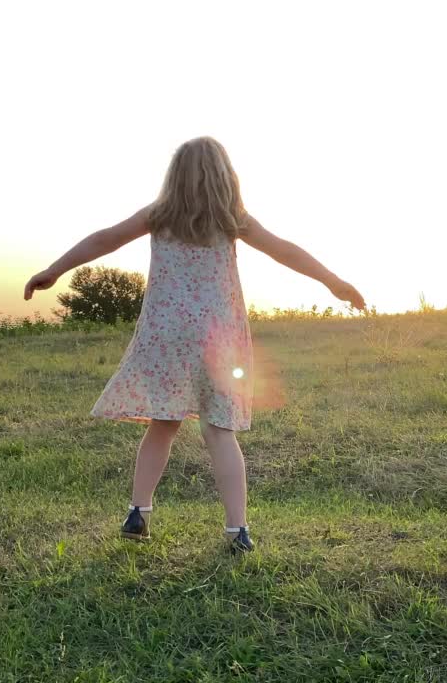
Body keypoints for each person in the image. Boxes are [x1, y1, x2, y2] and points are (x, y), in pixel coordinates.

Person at [24, 137, 365, 553]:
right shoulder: (232, 219)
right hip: (218, 340)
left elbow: (105, 239)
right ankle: (237, 530)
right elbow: (285, 251)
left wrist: (54, 271)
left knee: (162, 424)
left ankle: (138, 511)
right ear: (226, 176)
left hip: (167, 334)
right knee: (220, 431)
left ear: (175, 176)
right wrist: (333, 281)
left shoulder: (158, 215)